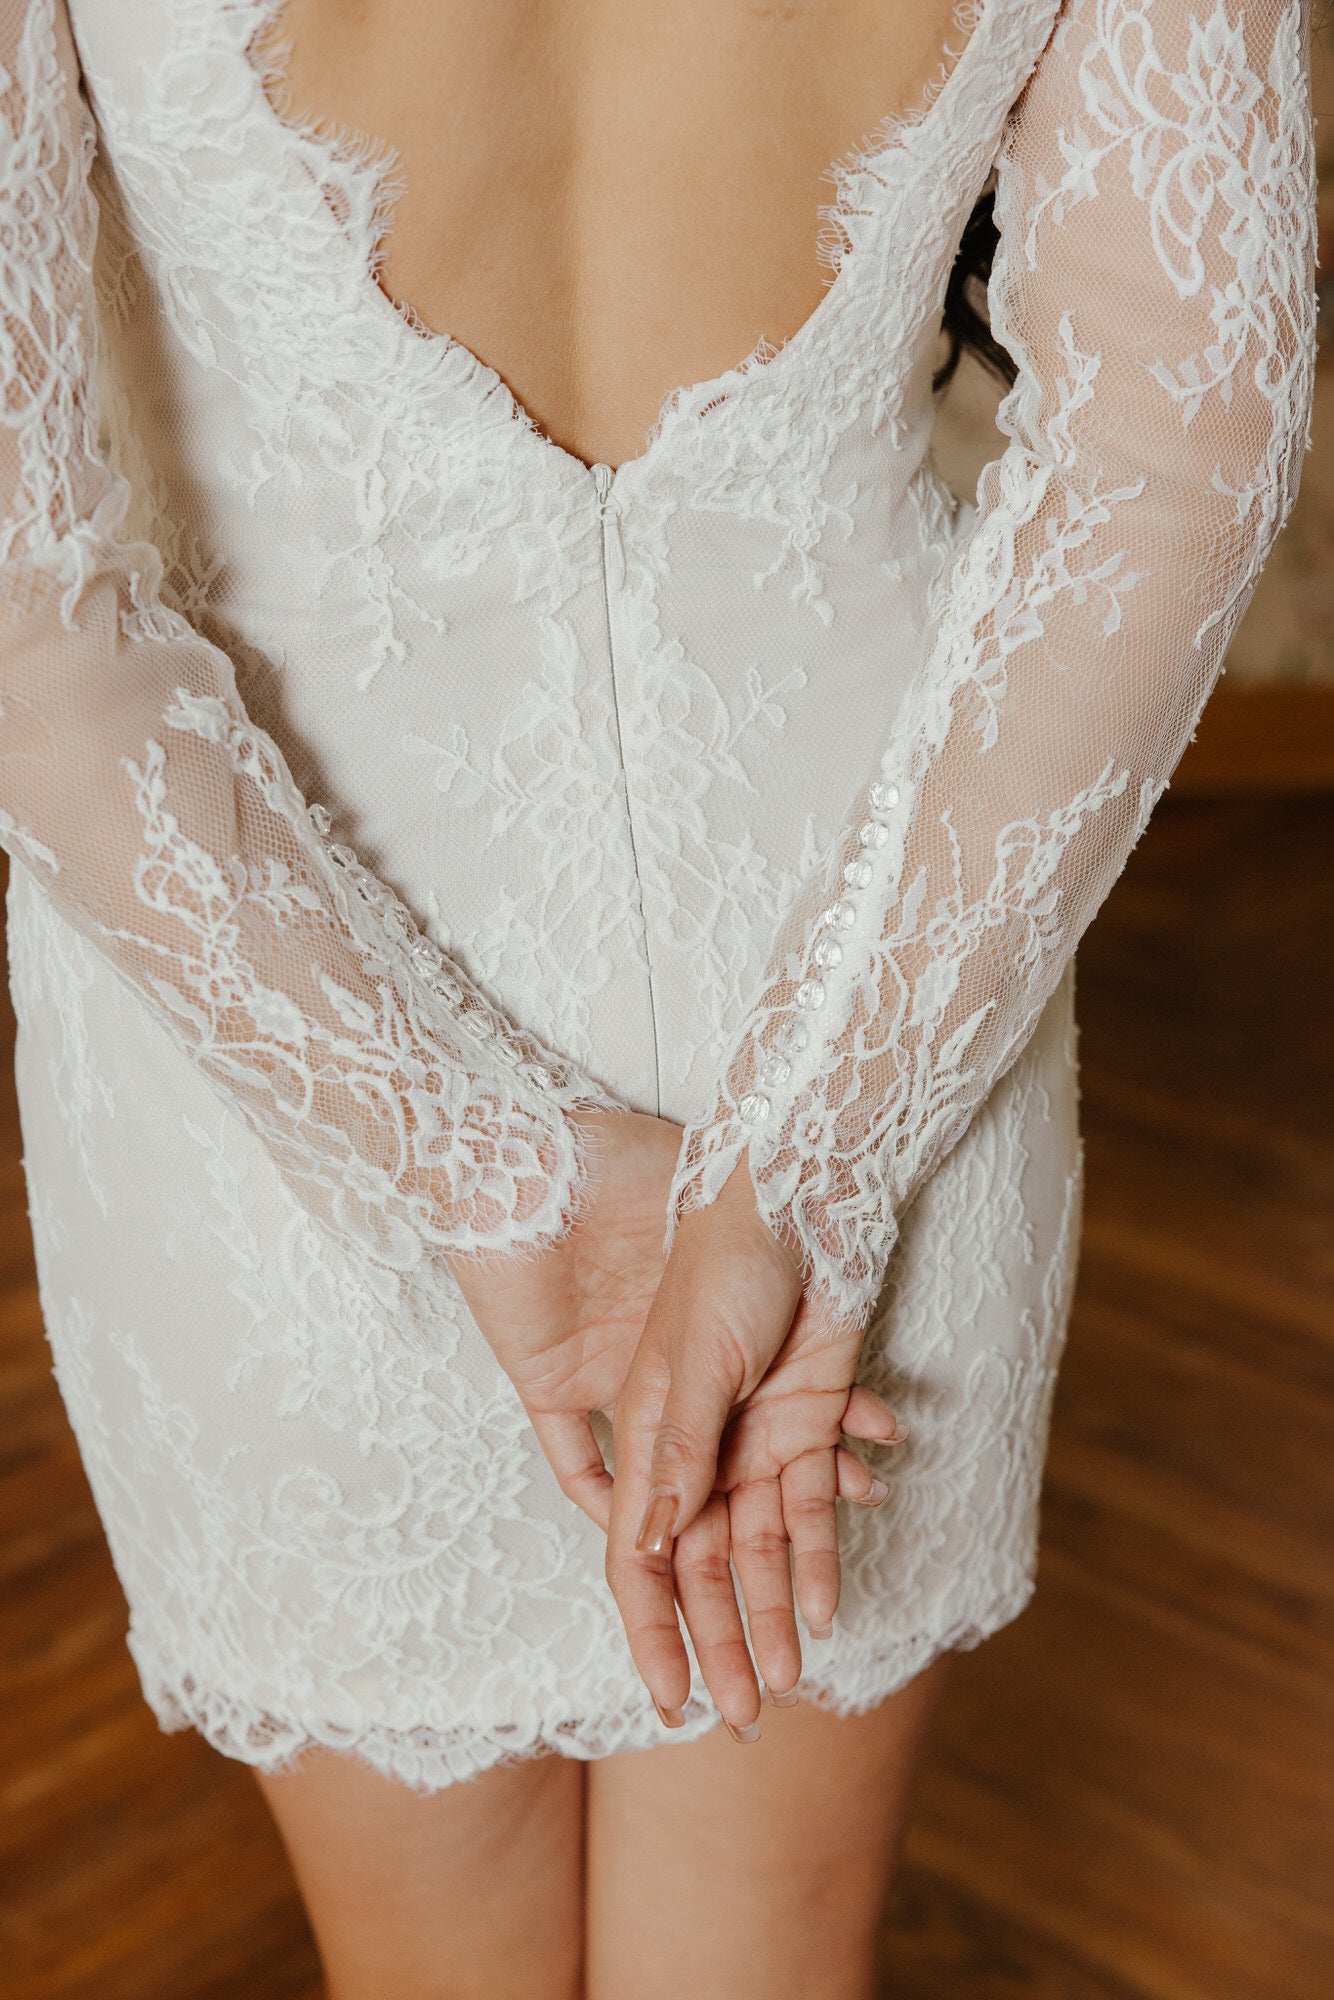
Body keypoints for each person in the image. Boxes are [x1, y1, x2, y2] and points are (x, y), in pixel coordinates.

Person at [0, 0, 1315, 1994]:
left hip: (295, 1096)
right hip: (874, 1019)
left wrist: (475, 1162)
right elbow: (1172, 454)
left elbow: (25, 600)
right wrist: (813, 1156)